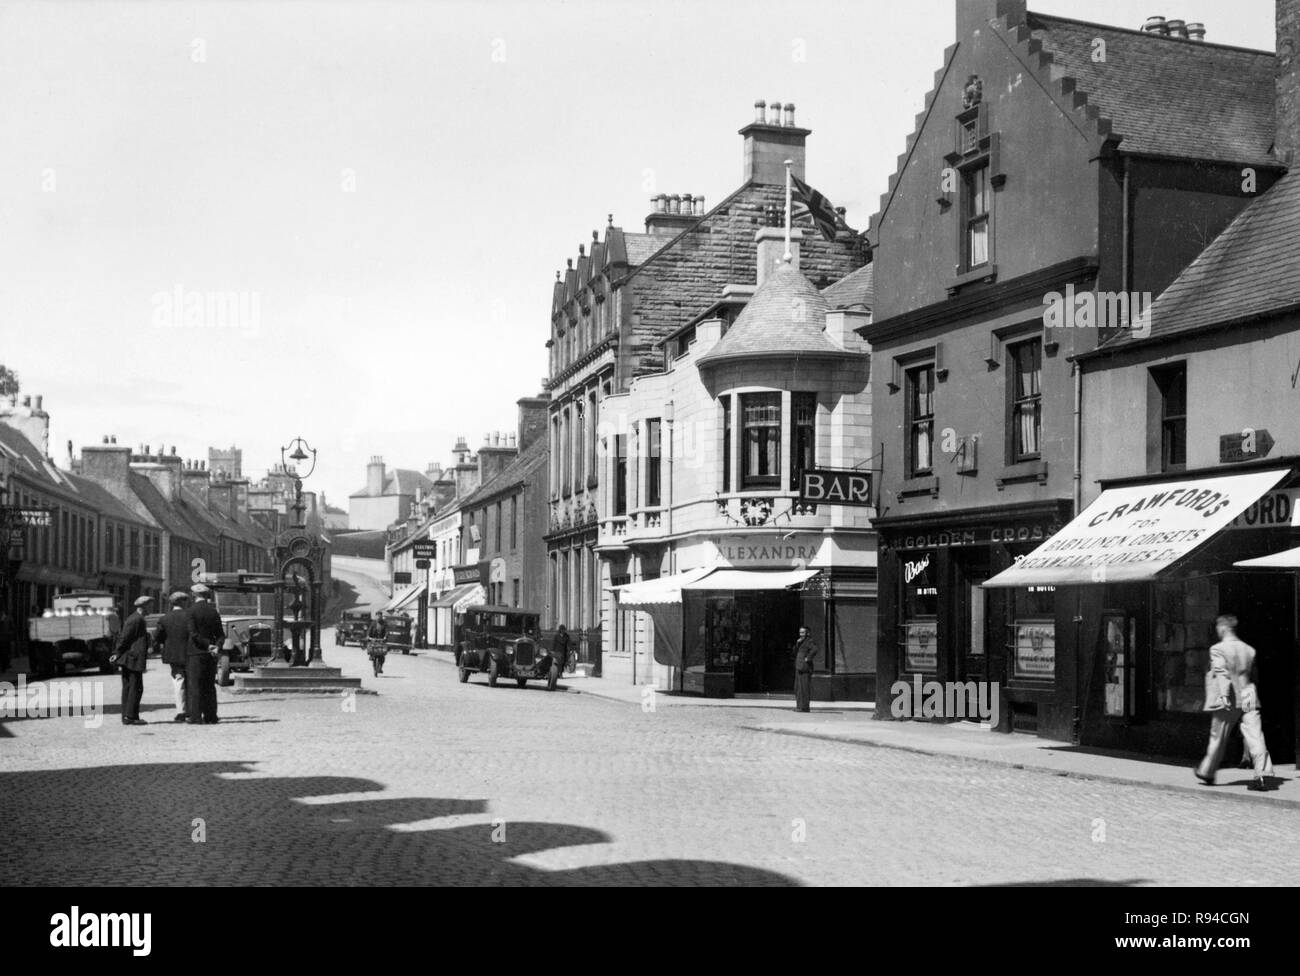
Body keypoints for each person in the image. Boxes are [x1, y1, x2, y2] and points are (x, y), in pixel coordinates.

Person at [1195, 614, 1274, 791]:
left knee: (1218, 737)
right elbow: (1254, 676)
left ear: (1223, 628)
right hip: (1248, 693)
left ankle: (1207, 771)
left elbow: (1221, 672)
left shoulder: (1218, 649)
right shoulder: (1249, 649)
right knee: (1255, 735)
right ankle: (1262, 774)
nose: (1217, 630)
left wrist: (1223, 695)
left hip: (1230, 696)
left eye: (1218, 627)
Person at [110, 596, 153, 726]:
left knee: (130, 687)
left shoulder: (137, 618)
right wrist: (117, 652)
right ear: (143, 606)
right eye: (150, 605)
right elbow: (125, 637)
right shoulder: (136, 619)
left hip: (131, 657)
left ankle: (128, 716)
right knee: (135, 687)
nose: (151, 608)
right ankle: (131, 716)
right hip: (132, 658)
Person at [154, 591, 193, 723]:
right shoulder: (189, 616)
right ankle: (191, 710)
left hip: (173, 655)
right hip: (190, 653)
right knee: (191, 681)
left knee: (178, 681)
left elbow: (157, 637)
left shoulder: (164, 618)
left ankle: (181, 711)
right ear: (183, 602)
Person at [187, 583, 223, 725]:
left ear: (194, 595)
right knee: (209, 685)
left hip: (196, 652)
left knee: (195, 685)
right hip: (211, 654)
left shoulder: (191, 611)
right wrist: (216, 646)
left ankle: (195, 716)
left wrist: (207, 645)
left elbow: (194, 634)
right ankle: (211, 716)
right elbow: (220, 634)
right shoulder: (213, 612)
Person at [792, 625, 818, 713]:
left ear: (807, 633)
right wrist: (797, 643)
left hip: (805, 668)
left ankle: (804, 707)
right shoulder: (800, 642)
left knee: (804, 688)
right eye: (800, 632)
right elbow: (794, 652)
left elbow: (815, 649)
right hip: (799, 667)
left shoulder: (809, 641)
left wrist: (808, 658)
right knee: (798, 688)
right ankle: (799, 706)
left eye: (803, 632)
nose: (801, 634)